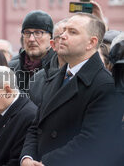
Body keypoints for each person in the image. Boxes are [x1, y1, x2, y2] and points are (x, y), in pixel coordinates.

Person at [20, 13, 123, 166]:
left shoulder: (105, 85)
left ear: (91, 42)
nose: (62, 36)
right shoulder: (55, 77)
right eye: (64, 30)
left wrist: (45, 162)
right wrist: (27, 157)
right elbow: (37, 126)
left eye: (72, 32)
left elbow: (91, 141)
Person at [9, 10, 55, 91]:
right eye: (27, 33)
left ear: (50, 37)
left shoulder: (59, 68)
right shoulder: (10, 68)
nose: (31, 39)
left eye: (38, 33)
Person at [28, 19, 67, 106]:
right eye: (62, 36)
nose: (66, 38)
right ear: (53, 44)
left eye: (73, 34)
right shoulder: (37, 81)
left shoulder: (90, 75)